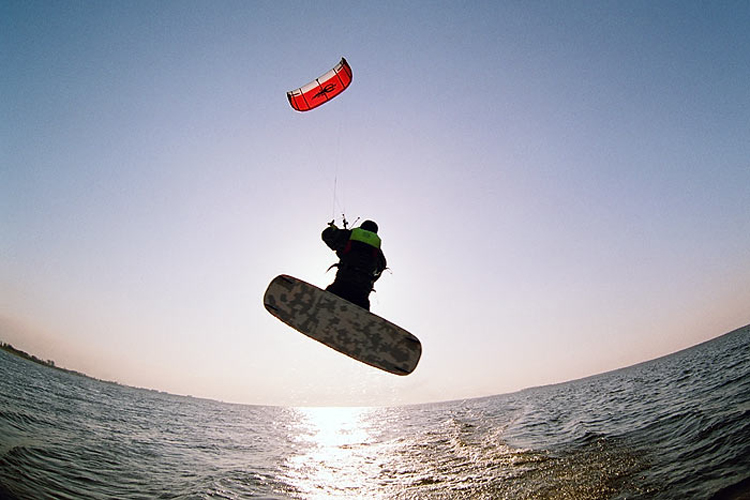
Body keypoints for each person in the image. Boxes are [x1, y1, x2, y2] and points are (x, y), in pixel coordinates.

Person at [322, 219, 387, 310]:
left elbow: (327, 235)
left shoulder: (350, 235)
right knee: (362, 306)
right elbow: (381, 267)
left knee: (327, 301)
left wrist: (334, 230)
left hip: (342, 283)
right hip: (362, 291)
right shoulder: (377, 248)